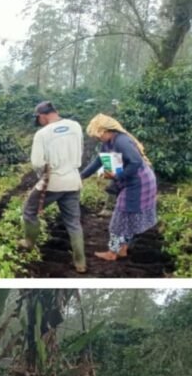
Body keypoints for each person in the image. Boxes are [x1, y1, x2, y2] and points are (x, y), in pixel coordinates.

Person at [82, 114, 158, 261]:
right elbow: (99, 160)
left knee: (119, 219)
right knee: (127, 218)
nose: (97, 138)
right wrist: (81, 176)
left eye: (98, 135)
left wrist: (117, 176)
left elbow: (135, 163)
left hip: (139, 183)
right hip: (133, 181)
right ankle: (122, 249)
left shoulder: (121, 141)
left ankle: (112, 252)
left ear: (105, 131)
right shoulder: (109, 142)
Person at [22, 101, 86, 273]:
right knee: (73, 222)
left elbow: (37, 163)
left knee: (29, 211)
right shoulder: (75, 126)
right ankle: (80, 262)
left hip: (52, 182)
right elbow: (80, 151)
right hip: (73, 180)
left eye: (39, 118)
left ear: (42, 116)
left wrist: (41, 176)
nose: (39, 121)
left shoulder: (42, 134)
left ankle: (28, 242)